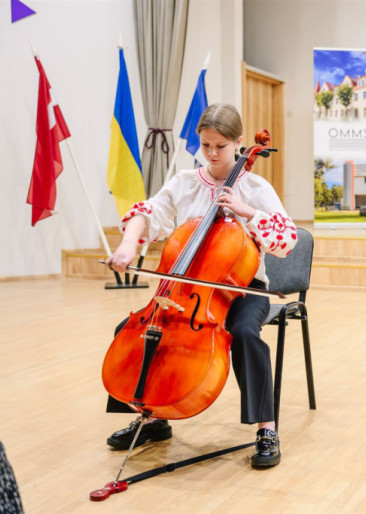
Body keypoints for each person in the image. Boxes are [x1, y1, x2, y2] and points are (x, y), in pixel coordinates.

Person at [103, 103, 296, 468]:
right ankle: (152, 417)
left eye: (220, 146)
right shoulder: (185, 181)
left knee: (244, 334)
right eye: (205, 145)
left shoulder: (254, 186)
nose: (211, 153)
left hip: (241, 289)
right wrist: (129, 244)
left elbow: (287, 240)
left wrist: (247, 211)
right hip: (185, 290)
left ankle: (266, 427)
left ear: (239, 143)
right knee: (133, 331)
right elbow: (148, 212)